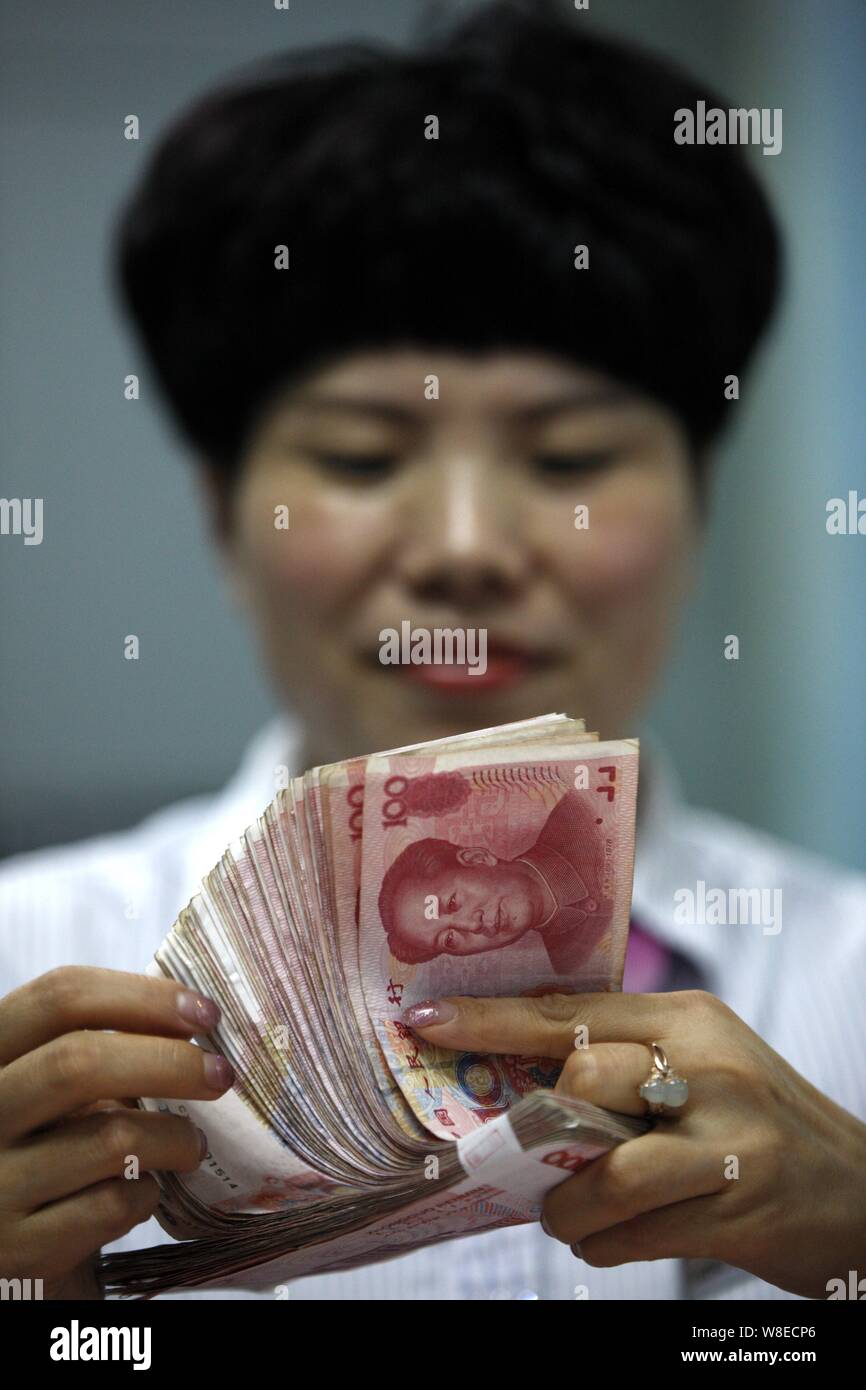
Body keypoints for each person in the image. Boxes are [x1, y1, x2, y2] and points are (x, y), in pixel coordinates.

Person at [0, 0, 863, 1302]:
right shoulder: (24, 961)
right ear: (225, 515)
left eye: (569, 457)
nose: (465, 546)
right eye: (358, 456)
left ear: (697, 502)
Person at [380, 789, 612, 971]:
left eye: (452, 903)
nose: (472, 926)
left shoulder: (584, 816)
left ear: (477, 858)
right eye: (449, 939)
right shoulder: (570, 964)